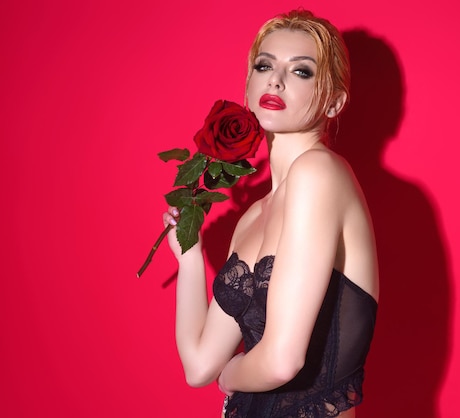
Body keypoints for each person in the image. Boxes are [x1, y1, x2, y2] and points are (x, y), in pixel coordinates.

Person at [163, 9, 379, 418]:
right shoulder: (252, 217)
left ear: (334, 103)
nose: (275, 80)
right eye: (264, 66)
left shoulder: (319, 173)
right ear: (247, 86)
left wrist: (231, 377)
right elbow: (198, 365)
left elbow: (281, 360)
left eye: (301, 72)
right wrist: (188, 255)